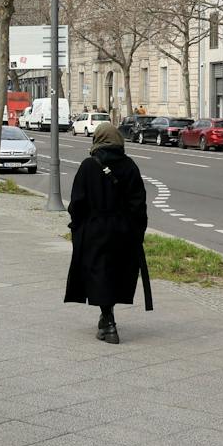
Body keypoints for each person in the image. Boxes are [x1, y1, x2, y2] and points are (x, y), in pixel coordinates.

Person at [63, 121, 151, 344]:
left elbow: (76, 204)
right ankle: (107, 318)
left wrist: (79, 227)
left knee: (99, 273)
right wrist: (136, 231)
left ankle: (108, 320)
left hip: (95, 231)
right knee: (115, 273)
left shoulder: (88, 166)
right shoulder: (130, 166)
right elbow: (139, 204)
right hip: (123, 231)